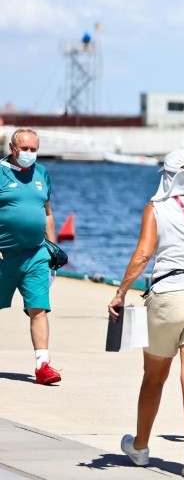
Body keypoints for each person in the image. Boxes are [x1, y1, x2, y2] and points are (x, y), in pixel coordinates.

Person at [107, 149, 184, 479]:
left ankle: (140, 448)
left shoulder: (156, 208)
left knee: (154, 378)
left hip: (168, 297)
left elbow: (144, 255)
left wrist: (120, 292)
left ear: (167, 176)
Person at [0, 128, 61, 385]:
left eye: (33, 149)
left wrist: (53, 249)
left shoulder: (42, 174)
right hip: (4, 255)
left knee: (39, 308)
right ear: (13, 148)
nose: (29, 153)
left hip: (36, 254)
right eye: (24, 149)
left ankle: (42, 365)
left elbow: (47, 212)